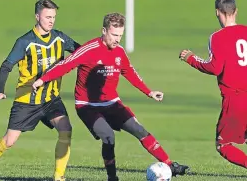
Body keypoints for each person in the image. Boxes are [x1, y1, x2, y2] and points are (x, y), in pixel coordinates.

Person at [33, 12, 189, 181]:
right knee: (108, 136)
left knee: (139, 129)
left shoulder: (119, 52)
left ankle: (170, 164)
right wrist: (42, 79)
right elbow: (65, 65)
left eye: (120, 35)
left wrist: (149, 92)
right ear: (104, 31)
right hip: (87, 106)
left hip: (112, 103)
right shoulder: (89, 49)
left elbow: (129, 72)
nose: (117, 39)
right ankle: (112, 177)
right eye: (114, 35)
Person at [0, 0, 81, 181]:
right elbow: (6, 66)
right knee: (9, 141)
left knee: (65, 129)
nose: (51, 21)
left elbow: (81, 52)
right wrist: (0, 90)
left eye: (54, 17)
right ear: (37, 16)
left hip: (51, 99)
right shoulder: (24, 42)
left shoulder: (60, 37)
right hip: (27, 101)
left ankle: (59, 177)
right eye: (47, 16)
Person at [179, 0, 247, 169]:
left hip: (235, 98)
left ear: (217, 12)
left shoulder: (217, 37)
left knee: (223, 145)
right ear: (236, 11)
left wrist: (191, 59)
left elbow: (215, 67)